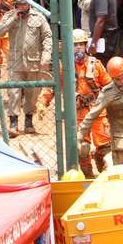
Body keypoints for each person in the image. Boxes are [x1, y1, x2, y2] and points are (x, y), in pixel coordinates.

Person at [44, 29, 112, 178]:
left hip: (98, 111)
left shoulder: (96, 64)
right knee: (83, 148)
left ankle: (103, 166)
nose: (78, 48)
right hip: (79, 113)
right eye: (75, 45)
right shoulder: (65, 67)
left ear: (85, 46)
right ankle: (89, 176)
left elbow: (109, 85)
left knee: (105, 146)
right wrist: (44, 102)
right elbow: (54, 85)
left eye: (81, 44)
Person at [0, 0, 52, 137]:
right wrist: (14, 17)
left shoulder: (38, 17)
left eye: (23, 4)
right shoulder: (10, 16)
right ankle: (13, 123)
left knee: (32, 93)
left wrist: (46, 57)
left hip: (34, 62)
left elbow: (47, 37)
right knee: (14, 92)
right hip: (15, 62)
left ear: (29, 4)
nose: (21, 6)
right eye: (18, 4)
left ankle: (28, 121)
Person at [85, 0, 119, 65]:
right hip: (111, 35)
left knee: (100, 68)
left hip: (105, 37)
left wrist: (94, 43)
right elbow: (118, 0)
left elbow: (100, 20)